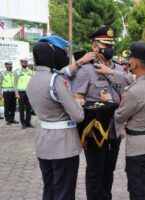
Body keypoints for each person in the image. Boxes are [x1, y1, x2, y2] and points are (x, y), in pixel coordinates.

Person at [104, 41, 145, 200]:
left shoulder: (134, 92)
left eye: (130, 59)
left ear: (133, 63)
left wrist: (109, 101)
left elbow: (119, 116)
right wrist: (111, 72)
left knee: (139, 191)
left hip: (140, 149)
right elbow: (134, 79)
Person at [73, 25, 129, 200]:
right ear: (94, 47)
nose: (110, 47)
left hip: (115, 127)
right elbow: (78, 100)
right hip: (94, 131)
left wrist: (123, 125)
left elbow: (124, 97)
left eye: (111, 43)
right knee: (95, 171)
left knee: (109, 169)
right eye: (105, 44)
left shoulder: (119, 70)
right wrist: (80, 133)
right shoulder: (86, 70)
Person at [26, 36, 85, 200]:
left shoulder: (32, 80)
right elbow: (78, 116)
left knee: (50, 190)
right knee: (64, 192)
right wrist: (77, 102)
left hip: (44, 142)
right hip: (63, 145)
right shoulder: (56, 80)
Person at [14, 59, 33, 129]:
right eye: (23, 62)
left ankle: (28, 123)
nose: (25, 63)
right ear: (21, 63)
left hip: (29, 92)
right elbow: (15, 84)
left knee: (29, 108)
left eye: (26, 62)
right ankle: (23, 123)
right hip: (21, 93)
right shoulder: (17, 72)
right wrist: (16, 93)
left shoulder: (31, 72)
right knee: (21, 108)